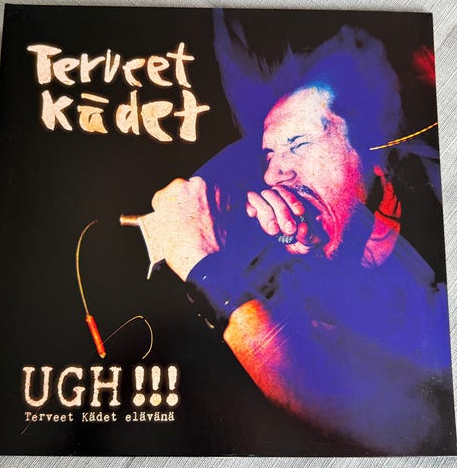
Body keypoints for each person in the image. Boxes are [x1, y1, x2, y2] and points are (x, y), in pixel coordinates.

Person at [145, 28, 454, 455]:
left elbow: (395, 426)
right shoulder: (308, 256)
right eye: (269, 155)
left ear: (374, 162)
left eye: (299, 144)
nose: (275, 173)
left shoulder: (439, 261)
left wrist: (204, 267)